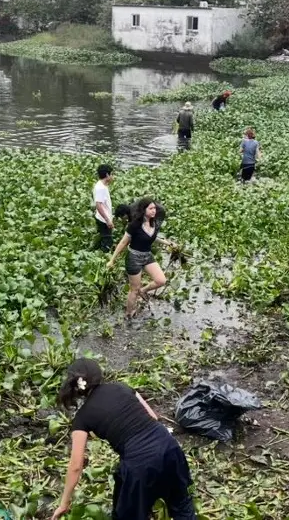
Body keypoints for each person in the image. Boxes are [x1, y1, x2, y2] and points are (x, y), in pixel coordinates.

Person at [51, 359, 196, 520]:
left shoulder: (82, 417)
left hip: (140, 465)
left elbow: (75, 467)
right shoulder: (121, 387)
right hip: (170, 448)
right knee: (182, 507)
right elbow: (153, 418)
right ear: (99, 375)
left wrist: (64, 503)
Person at [108, 199, 176, 319]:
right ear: (144, 210)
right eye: (151, 208)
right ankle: (128, 314)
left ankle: (143, 291)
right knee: (134, 290)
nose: (154, 211)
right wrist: (112, 260)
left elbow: (152, 237)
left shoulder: (153, 223)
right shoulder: (134, 225)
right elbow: (123, 242)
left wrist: (167, 243)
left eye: (154, 208)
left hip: (147, 255)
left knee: (161, 280)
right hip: (134, 257)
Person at [93, 164, 115, 251]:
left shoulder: (102, 185)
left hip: (103, 217)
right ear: (107, 175)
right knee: (107, 242)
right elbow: (98, 205)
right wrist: (108, 220)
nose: (113, 176)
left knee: (104, 238)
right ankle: (103, 259)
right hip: (103, 220)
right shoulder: (100, 188)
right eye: (112, 174)